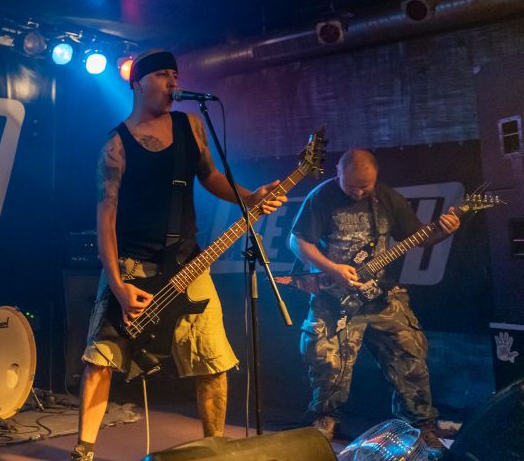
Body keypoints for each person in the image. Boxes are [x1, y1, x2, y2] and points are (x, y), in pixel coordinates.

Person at [71, 49, 286, 461]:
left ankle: (216, 448)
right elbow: (105, 221)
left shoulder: (192, 125)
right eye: (162, 74)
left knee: (213, 358)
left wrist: (250, 197)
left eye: (175, 74)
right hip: (131, 263)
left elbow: (212, 177)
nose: (173, 81)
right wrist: (117, 284)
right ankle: (84, 451)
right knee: (100, 359)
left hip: (189, 261)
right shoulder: (116, 145)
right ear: (137, 82)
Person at [289, 149, 460, 454]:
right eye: (352, 186)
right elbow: (297, 241)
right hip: (335, 296)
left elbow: (418, 237)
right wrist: (333, 268)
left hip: (382, 294)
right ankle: (324, 424)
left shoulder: (387, 198)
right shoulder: (322, 197)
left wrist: (444, 231)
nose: (359, 192)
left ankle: (421, 427)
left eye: (365, 186)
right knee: (327, 362)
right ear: (339, 173)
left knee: (410, 356)